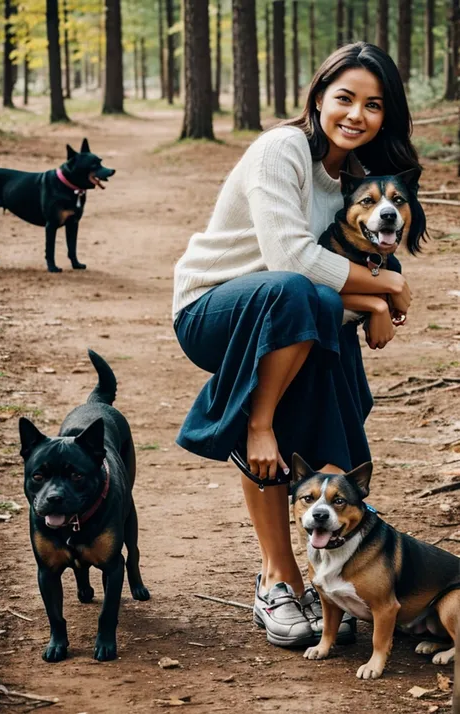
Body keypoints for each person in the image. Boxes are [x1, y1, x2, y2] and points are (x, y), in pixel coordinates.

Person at [172, 42, 423, 648]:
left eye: (373, 104)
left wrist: (370, 302)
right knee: (293, 292)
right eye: (344, 98)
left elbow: (321, 288)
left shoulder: (353, 185)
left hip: (290, 324)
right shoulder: (281, 149)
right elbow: (290, 262)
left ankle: (306, 578)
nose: (356, 114)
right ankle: (275, 560)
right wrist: (387, 287)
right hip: (213, 308)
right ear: (317, 98)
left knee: (317, 384)